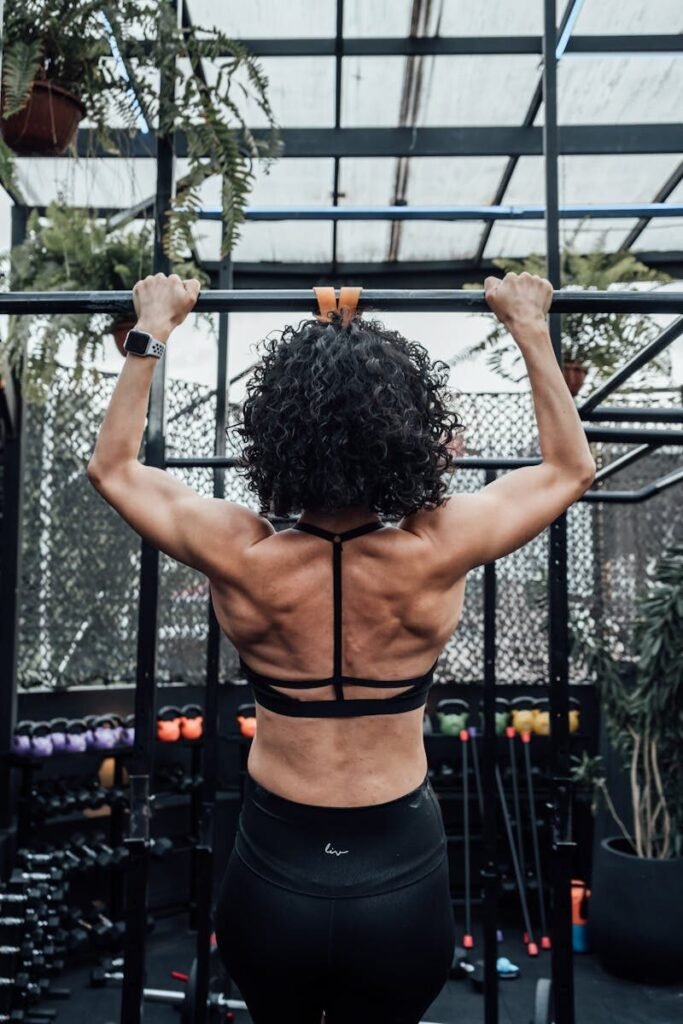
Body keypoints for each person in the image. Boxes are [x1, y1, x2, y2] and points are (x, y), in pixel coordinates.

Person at [87, 271, 596, 1024]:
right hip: (399, 874)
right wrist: (526, 325)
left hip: (273, 869)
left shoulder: (240, 552)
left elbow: (114, 468)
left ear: (275, 434)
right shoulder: (432, 549)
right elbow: (569, 468)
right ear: (404, 437)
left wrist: (153, 327)